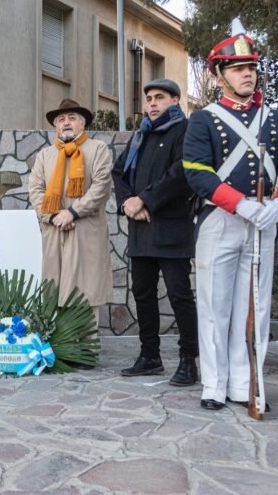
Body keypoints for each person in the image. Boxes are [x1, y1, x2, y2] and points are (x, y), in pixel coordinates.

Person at [183, 19, 278, 411]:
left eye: (251, 67)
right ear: (219, 75)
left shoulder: (274, 119)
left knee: (256, 307)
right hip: (220, 220)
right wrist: (241, 204)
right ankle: (215, 385)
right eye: (238, 68)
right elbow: (197, 171)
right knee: (216, 306)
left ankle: (246, 384)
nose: (247, 74)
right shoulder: (204, 119)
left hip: (264, 220)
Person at [112, 79, 198, 386]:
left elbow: (182, 173)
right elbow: (119, 172)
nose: (152, 103)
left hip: (172, 228)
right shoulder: (141, 135)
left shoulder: (185, 131)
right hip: (141, 229)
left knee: (179, 296)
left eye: (159, 97)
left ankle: (190, 360)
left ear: (175, 101)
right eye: (149, 98)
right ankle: (150, 356)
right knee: (143, 294)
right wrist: (127, 204)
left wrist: (145, 199)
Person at [28, 98, 113, 322]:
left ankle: (85, 355)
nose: (66, 123)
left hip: (85, 233)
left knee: (85, 296)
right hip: (54, 233)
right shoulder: (45, 155)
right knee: (53, 294)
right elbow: (35, 190)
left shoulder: (97, 149)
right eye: (61, 119)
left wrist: (72, 212)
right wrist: (54, 216)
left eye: (72, 118)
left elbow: (101, 186)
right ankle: (60, 353)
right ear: (56, 126)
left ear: (82, 124)